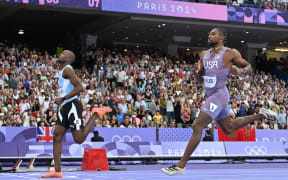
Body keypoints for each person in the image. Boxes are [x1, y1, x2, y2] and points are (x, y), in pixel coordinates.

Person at [161, 28, 277, 175]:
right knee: (229, 128)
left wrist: (241, 72)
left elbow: (249, 67)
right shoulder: (204, 55)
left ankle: (180, 165)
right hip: (211, 95)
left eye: (213, 34)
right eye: (208, 33)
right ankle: (260, 115)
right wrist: (196, 73)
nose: (209, 36)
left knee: (198, 125)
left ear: (221, 37)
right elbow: (199, 80)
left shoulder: (230, 53)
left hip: (220, 95)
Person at [41, 50, 104, 178]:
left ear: (69, 58)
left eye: (64, 54)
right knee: (56, 137)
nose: (61, 54)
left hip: (72, 105)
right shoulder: (63, 70)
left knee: (79, 139)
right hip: (64, 107)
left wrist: (63, 98)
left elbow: (80, 87)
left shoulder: (67, 70)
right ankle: (57, 171)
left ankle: (95, 114)